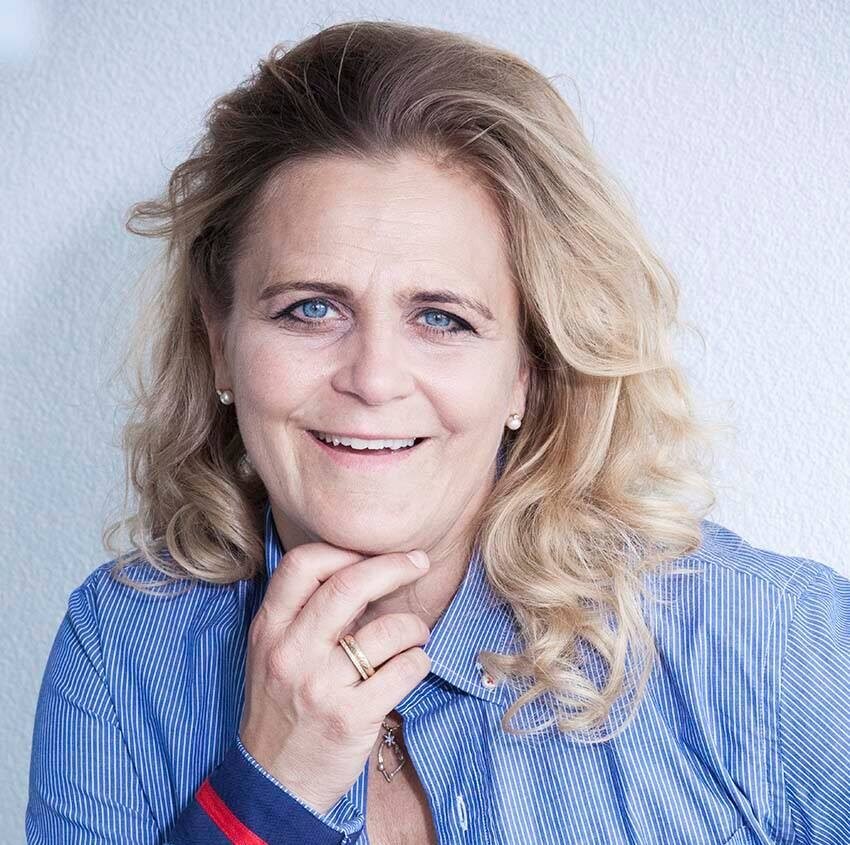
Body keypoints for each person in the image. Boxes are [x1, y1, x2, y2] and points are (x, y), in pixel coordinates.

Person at [26, 19, 849, 845]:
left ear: (526, 367)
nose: (374, 378)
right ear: (220, 341)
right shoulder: (122, 651)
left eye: (442, 318)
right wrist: (270, 793)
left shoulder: (768, 640)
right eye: (311, 309)